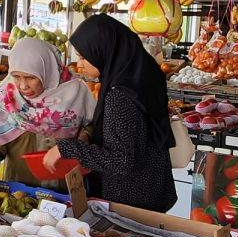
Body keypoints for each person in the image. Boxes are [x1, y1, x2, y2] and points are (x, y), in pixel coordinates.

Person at [43, 15, 177, 212]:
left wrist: (66, 149)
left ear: (102, 50)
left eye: (83, 56)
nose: (79, 64)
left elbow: (120, 160)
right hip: (154, 187)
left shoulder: (119, 95)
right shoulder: (144, 75)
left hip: (131, 200)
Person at [0, 37, 95, 189]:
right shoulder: (5, 99)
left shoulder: (76, 93)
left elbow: (94, 128)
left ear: (47, 71)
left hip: (67, 188)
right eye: (16, 76)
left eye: (30, 77)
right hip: (20, 190)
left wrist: (83, 138)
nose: (22, 85)